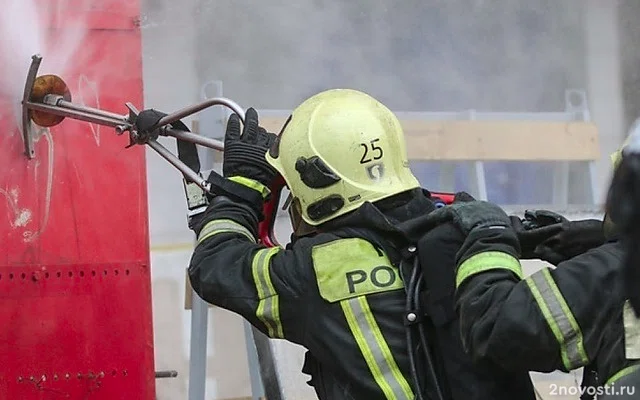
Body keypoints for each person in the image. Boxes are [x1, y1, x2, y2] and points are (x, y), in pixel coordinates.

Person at [179, 89, 537, 399]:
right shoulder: (465, 229)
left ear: (317, 191)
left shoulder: (315, 270)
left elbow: (215, 264)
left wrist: (242, 191)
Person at [416, 132, 640, 398]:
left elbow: (496, 327)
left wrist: (489, 234)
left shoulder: (609, 272)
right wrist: (602, 240)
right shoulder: (611, 264)